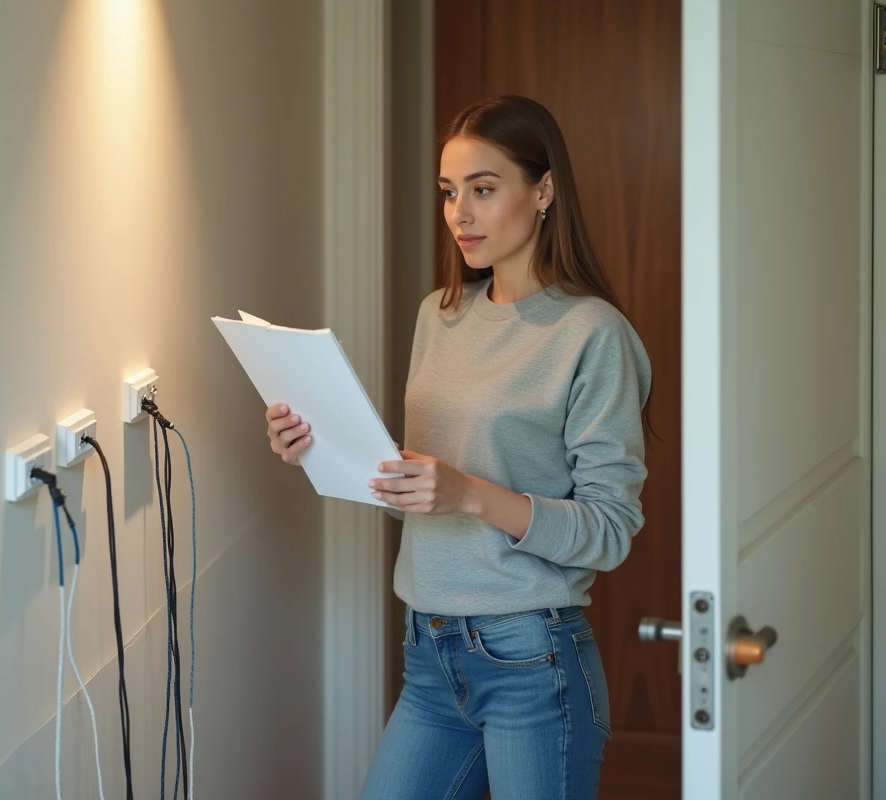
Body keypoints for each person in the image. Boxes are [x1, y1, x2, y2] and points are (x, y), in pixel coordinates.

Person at [264, 94, 652, 799]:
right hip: (430, 656)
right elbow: (417, 492)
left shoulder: (593, 336)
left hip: (532, 661)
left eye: (483, 189)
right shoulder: (439, 316)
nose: (459, 215)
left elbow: (610, 530)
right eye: (449, 193)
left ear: (544, 191)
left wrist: (470, 493)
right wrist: (320, 448)